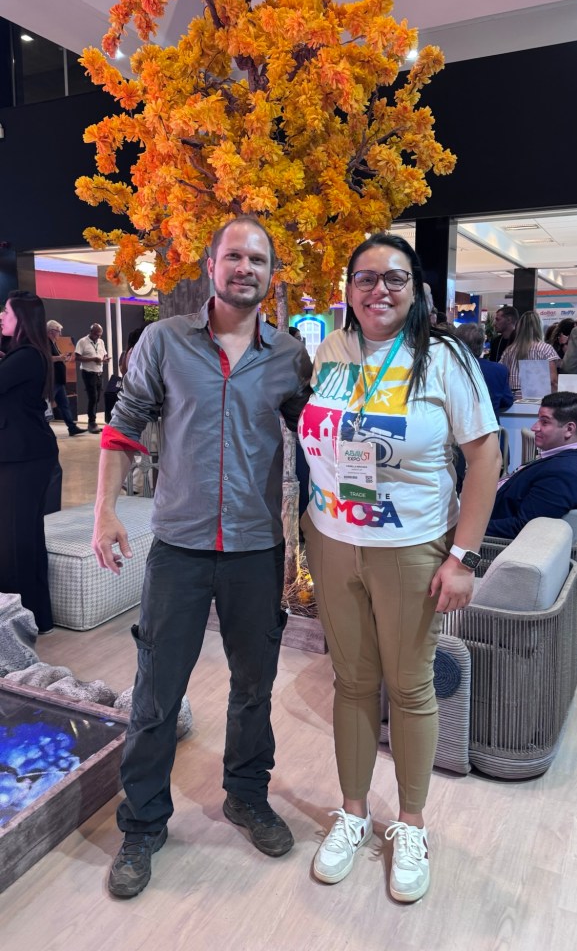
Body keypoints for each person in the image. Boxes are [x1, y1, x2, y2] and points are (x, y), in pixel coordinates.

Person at [91, 216, 312, 899]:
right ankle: (142, 824)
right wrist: (103, 511)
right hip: (179, 548)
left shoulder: (289, 355)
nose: (246, 268)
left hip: (255, 549)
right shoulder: (163, 341)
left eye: (258, 259)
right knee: (157, 694)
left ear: (270, 274)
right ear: (211, 265)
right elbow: (124, 425)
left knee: (253, 688)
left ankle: (246, 796)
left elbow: (319, 441)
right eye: (234, 256)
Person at [299, 233, 500, 903]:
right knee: (352, 683)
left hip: (411, 544)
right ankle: (354, 813)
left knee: (410, 688)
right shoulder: (330, 350)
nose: (378, 290)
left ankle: (410, 825)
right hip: (332, 538)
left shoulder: (443, 356)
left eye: (394, 278)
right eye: (365, 278)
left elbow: (484, 457)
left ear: (415, 289)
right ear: (348, 289)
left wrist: (462, 556)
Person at [0, 291, 59, 633]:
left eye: (6, 312)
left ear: (21, 318)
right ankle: (36, 618)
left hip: (23, 457)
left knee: (15, 539)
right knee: (26, 536)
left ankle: (18, 622)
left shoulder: (25, 356)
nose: (1, 316)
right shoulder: (27, 354)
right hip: (27, 454)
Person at [486, 392, 577, 539]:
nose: (534, 427)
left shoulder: (563, 473)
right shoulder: (557, 458)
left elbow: (524, 527)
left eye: (544, 422)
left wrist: (465, 527)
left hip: (490, 542)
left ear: (569, 429)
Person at [458, 323, 514, 420]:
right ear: (482, 344)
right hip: (490, 426)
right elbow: (507, 401)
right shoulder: (499, 370)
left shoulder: (449, 369)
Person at [499, 310, 559, 397]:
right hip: (538, 398)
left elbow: (501, 373)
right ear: (539, 327)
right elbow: (553, 381)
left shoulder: (509, 350)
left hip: (513, 398)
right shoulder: (546, 349)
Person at [46, 320, 86, 436]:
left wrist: (63, 358)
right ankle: (44, 428)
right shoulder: (46, 343)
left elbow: (55, 358)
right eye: (58, 331)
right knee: (46, 406)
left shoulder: (53, 343)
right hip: (52, 380)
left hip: (59, 380)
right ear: (52, 331)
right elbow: (46, 357)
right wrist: (60, 358)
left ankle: (72, 427)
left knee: (64, 405)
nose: (60, 334)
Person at [75, 322, 109, 433]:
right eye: (96, 334)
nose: (98, 337)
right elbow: (77, 357)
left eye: (100, 335)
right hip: (88, 373)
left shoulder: (101, 342)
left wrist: (105, 359)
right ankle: (92, 422)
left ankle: (93, 422)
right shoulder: (82, 342)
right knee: (93, 397)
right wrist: (93, 359)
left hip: (99, 373)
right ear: (91, 332)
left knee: (97, 398)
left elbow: (104, 354)